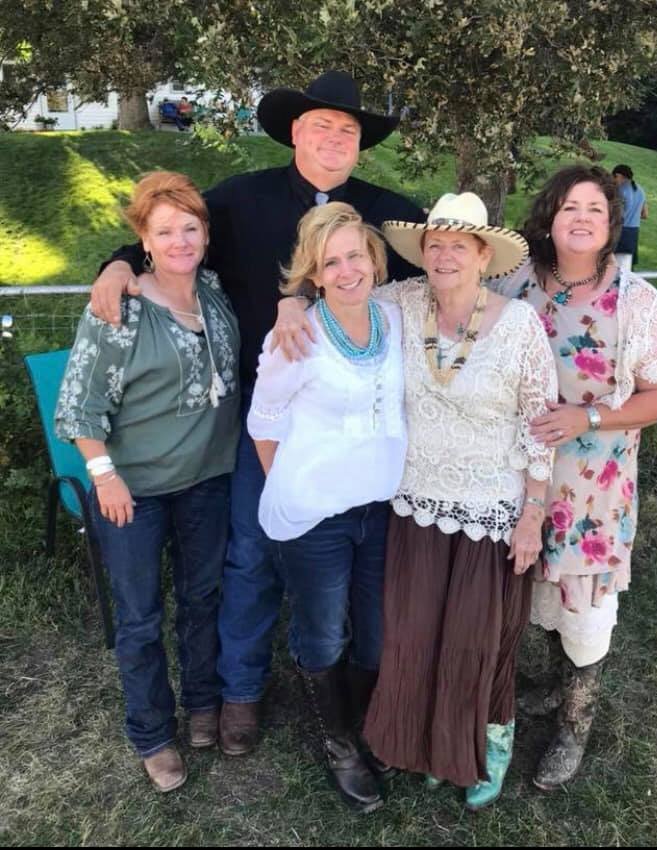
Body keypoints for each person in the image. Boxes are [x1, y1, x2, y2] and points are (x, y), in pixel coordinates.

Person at [88, 70, 425, 758]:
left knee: (353, 560)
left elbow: (449, 258)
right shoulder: (242, 199)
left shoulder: (384, 213)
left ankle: (357, 691)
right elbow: (172, 232)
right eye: (321, 126)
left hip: (346, 428)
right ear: (296, 133)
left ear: (361, 145)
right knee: (249, 554)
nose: (334, 140)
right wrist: (118, 265)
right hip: (261, 416)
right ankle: (240, 692)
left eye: (348, 131)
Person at [274, 191, 557, 808]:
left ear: (484, 255)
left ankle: (488, 744)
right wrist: (290, 303)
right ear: (420, 255)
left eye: (459, 244)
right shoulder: (399, 303)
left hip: (492, 508)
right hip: (413, 507)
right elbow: (334, 290)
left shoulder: (519, 325)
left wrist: (533, 513)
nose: (445, 254)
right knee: (415, 636)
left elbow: (541, 426)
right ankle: (430, 743)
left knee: (479, 639)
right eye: (435, 244)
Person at [496, 165, 657, 791]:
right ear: (548, 216)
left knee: (584, 605)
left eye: (595, 210)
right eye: (569, 206)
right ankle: (553, 686)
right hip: (517, 476)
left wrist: (591, 415)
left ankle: (576, 719)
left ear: (612, 224)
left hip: (593, 487)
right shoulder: (513, 282)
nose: (581, 217)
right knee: (531, 592)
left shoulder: (636, 300)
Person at [54, 171, 241, 792]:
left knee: (202, 598)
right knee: (139, 616)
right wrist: (104, 475)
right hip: (132, 490)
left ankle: (204, 703)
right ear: (144, 240)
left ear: (205, 235)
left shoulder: (214, 292)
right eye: (165, 231)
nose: (181, 240)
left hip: (208, 480)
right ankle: (152, 732)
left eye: (190, 227)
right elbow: (78, 405)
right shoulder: (120, 308)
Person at [248, 203, 407, 812]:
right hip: (316, 514)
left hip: (381, 508)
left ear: (374, 259)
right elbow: (263, 423)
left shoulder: (394, 317)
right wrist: (288, 484)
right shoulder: (296, 336)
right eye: (329, 261)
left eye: (355, 256)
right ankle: (337, 741)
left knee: (374, 633)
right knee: (321, 632)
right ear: (313, 274)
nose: (346, 271)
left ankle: (367, 723)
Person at [611, 164, 648, 271]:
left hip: (621, 231)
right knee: (627, 266)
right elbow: (645, 214)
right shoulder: (641, 189)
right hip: (634, 232)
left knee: (613, 264)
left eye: (614, 178)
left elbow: (621, 214)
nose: (613, 181)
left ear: (618, 175)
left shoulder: (621, 190)